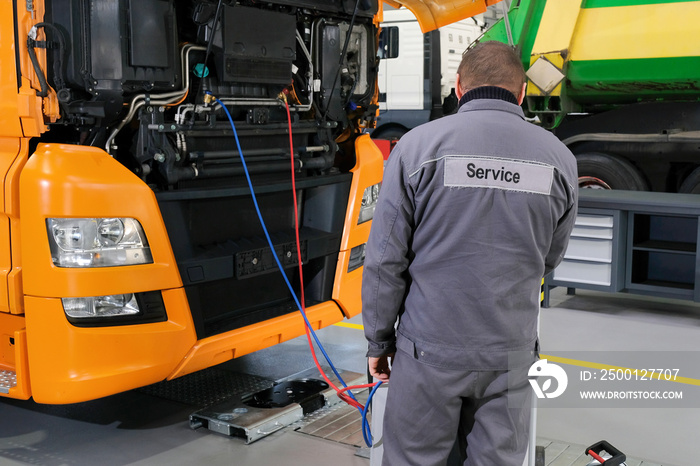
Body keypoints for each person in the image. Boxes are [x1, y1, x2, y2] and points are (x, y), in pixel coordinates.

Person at [361, 41, 578, 466]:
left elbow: (386, 259)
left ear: (459, 87)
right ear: (520, 94)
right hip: (510, 353)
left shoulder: (417, 147)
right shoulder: (560, 159)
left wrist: (378, 339)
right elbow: (549, 258)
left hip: (429, 351)